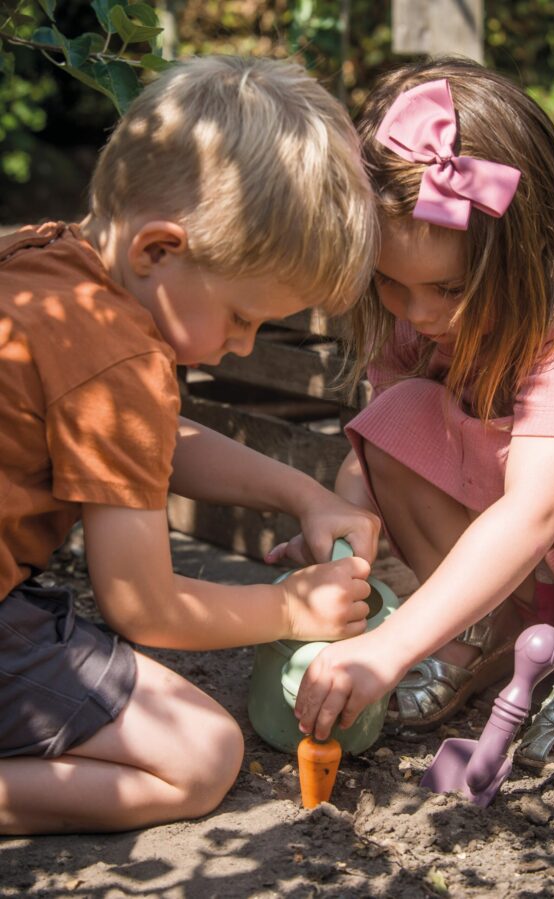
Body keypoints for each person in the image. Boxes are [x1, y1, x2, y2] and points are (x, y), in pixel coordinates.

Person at [0, 55, 381, 835]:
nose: (242, 346)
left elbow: (152, 440)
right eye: (242, 317)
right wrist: (287, 606)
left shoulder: (50, 269)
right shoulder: (121, 356)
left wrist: (302, 492)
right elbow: (143, 604)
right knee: (201, 755)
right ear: (159, 251)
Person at [287, 57, 554, 770]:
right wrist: (339, 535)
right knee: (398, 415)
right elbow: (381, 454)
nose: (421, 313)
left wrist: (388, 646)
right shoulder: (421, 323)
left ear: (522, 255)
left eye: (451, 287)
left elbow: (536, 514)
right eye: (392, 285)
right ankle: (476, 635)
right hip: (520, 583)